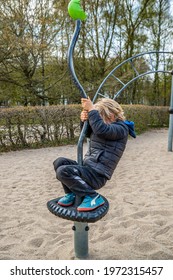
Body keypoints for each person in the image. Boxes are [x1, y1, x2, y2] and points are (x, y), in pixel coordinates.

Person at [53, 97, 136, 212]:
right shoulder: (103, 126)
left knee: (63, 171)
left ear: (111, 115)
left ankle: (93, 196)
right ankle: (71, 194)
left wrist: (92, 110)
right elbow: (87, 132)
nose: (97, 120)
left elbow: (101, 130)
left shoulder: (121, 128)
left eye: (99, 116)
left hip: (97, 175)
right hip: (89, 168)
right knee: (59, 162)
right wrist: (84, 120)